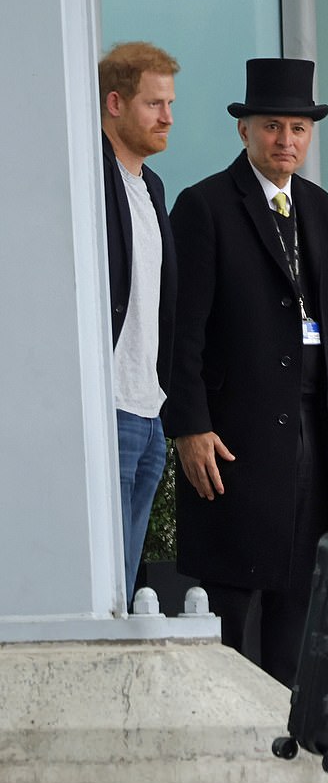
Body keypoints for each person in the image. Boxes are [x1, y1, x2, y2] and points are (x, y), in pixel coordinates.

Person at [164, 58, 328, 704]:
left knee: (303, 594)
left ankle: (297, 751)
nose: (286, 141)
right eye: (272, 125)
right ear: (244, 131)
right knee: (236, 594)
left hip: (313, 430)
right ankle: (244, 739)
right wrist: (190, 426)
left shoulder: (324, 211)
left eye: (298, 127)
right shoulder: (205, 205)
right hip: (235, 435)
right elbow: (181, 333)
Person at [99, 41, 179, 609]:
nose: (168, 117)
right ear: (114, 103)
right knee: (103, 588)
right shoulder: (88, 183)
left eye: (169, 103)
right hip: (109, 406)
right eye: (154, 104)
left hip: (149, 409)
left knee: (126, 588)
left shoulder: (152, 187)